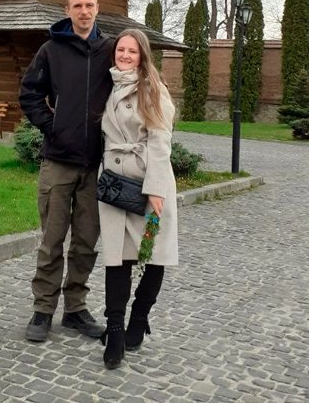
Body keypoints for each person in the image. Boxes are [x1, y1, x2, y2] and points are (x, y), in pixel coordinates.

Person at [19, 0, 114, 343]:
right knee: (52, 240)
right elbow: (29, 93)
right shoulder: (51, 50)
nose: (84, 11)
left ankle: (75, 309)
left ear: (97, 9)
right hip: (58, 161)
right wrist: (51, 125)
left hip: (95, 164)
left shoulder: (109, 50)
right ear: (67, 10)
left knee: (86, 242)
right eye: (78, 6)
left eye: (90, 5)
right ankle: (43, 309)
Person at [98, 28, 177, 369]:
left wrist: (156, 189)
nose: (125, 56)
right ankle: (115, 330)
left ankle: (139, 319)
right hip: (114, 183)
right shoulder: (107, 86)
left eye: (132, 51)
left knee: (154, 254)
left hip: (148, 181)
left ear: (143, 56)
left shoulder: (153, 89)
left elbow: (160, 140)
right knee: (116, 257)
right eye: (121, 50)